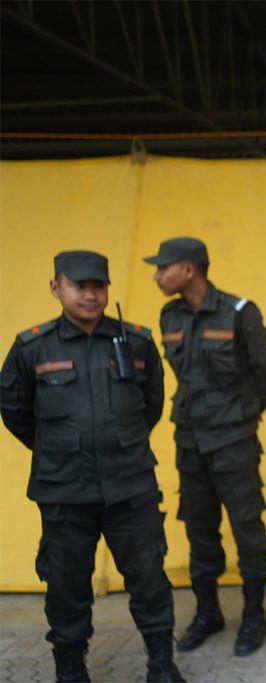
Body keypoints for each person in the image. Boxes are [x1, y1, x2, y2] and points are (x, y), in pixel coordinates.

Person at [0, 251, 185, 683]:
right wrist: (57, 447)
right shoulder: (32, 347)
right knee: (66, 584)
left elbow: (151, 405)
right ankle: (70, 667)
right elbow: (13, 408)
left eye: (98, 286)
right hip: (65, 490)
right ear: (56, 288)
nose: (90, 295)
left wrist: (118, 444)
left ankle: (161, 662)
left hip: (130, 486)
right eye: (79, 286)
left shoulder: (136, 342)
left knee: (148, 576)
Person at [143, 237, 266, 657]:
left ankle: (253, 614)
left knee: (247, 529)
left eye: (163, 268)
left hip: (233, 442)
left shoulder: (240, 312)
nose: (156, 275)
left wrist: (239, 416)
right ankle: (208, 612)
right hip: (190, 442)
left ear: (188, 270)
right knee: (199, 530)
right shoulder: (169, 315)